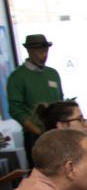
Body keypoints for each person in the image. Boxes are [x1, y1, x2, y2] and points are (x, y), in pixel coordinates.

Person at [7, 34, 63, 164]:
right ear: (29, 51)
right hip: (35, 136)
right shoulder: (18, 77)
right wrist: (38, 131)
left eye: (46, 51)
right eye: (40, 52)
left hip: (57, 133)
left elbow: (60, 99)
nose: (44, 55)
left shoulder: (52, 73)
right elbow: (15, 110)